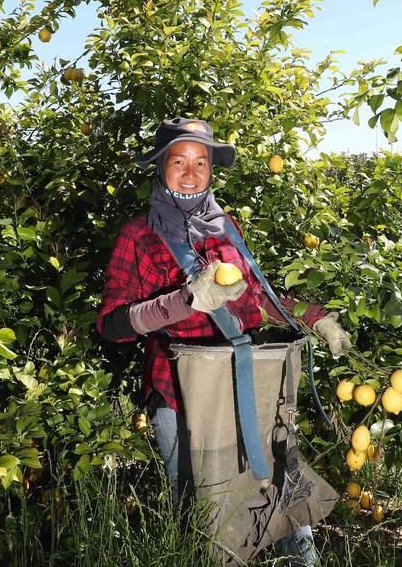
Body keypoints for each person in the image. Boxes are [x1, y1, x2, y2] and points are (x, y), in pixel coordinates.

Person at [97, 117, 351, 564]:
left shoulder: (225, 227)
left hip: (242, 382)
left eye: (201, 161)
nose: (191, 172)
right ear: (161, 166)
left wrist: (317, 319)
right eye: (180, 161)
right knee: (195, 503)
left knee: (273, 481)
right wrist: (185, 301)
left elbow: (256, 298)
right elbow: (113, 326)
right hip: (178, 391)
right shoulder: (138, 235)